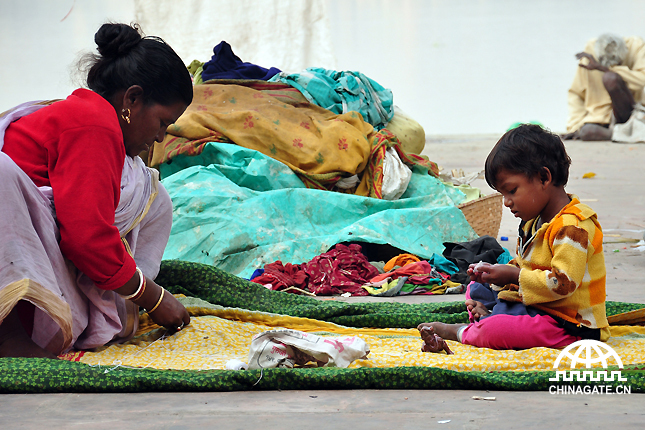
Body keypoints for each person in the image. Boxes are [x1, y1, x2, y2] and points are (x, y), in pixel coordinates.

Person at [0, 23, 193, 358]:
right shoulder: (93, 124)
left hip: (50, 247)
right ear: (132, 99)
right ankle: (11, 331)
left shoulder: (98, 125)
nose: (161, 137)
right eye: (163, 122)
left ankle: (87, 315)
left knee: (155, 196)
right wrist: (154, 298)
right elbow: (87, 238)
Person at [418, 124, 609, 351]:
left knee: (498, 331)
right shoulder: (532, 223)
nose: (507, 202)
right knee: (476, 288)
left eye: (512, 190)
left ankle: (462, 330)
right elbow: (525, 265)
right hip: (536, 306)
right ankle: (492, 315)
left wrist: (515, 276)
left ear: (543, 177)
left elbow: (563, 284)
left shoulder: (573, 226)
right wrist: (495, 277)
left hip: (568, 325)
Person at [562, 33, 645, 141]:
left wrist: (606, 69)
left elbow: (642, 80)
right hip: (600, 117)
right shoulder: (590, 51)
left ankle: (625, 132)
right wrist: (574, 126)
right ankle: (620, 134)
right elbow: (576, 93)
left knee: (610, 78)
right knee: (586, 132)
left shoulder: (636, 46)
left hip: (627, 113)